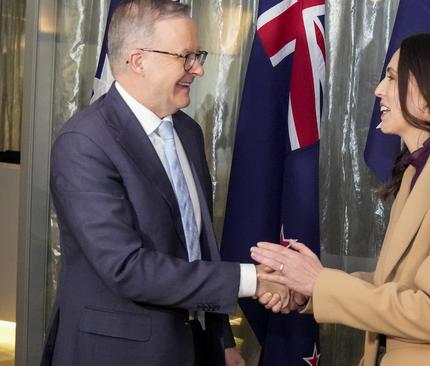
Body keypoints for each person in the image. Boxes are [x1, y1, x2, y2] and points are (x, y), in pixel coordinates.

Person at [250, 33, 430, 366]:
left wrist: (320, 282)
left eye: (392, 78)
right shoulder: (418, 171)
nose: (378, 89)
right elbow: (393, 286)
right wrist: (308, 288)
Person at [42, 1, 287, 365]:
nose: (199, 69)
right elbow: (126, 267)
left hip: (193, 348)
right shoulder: (84, 143)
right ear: (138, 60)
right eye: (186, 57)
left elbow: (198, 245)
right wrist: (252, 280)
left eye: (198, 55)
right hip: (115, 354)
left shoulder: (188, 132)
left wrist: (221, 341)